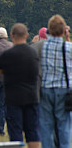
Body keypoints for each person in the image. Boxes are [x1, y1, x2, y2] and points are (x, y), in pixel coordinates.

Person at [0, 23, 40, 148]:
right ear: (27, 35)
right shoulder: (33, 53)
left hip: (14, 99)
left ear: (12, 35)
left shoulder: (8, 54)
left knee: (15, 134)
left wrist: (7, 70)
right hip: (32, 97)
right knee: (33, 133)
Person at [39, 14, 71, 148]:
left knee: (46, 126)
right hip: (64, 88)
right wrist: (67, 36)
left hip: (46, 87)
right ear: (64, 30)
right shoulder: (68, 47)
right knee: (64, 125)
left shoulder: (42, 47)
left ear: (49, 30)